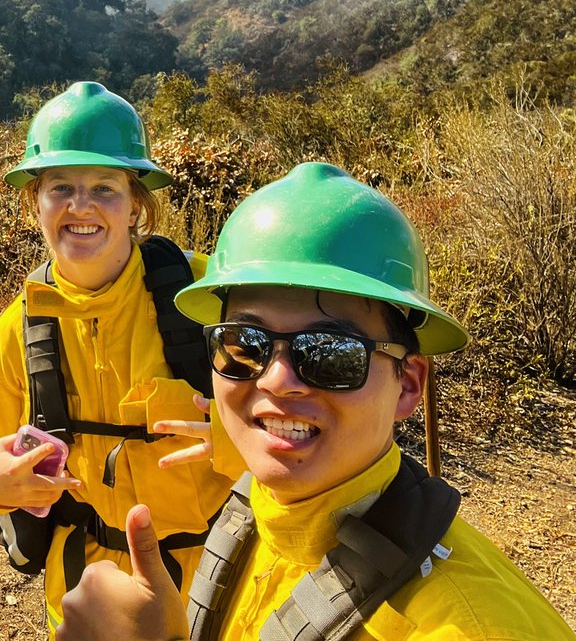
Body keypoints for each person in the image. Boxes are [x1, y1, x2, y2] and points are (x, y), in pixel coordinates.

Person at [57, 162, 575, 640]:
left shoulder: (468, 626)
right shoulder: (261, 517)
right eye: (246, 343)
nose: (278, 380)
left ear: (409, 384)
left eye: (331, 353)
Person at [0, 81, 238, 635]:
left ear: (135, 206)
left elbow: (295, 407)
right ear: (36, 204)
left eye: (105, 187)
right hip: (89, 588)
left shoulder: (205, 300)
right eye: (61, 188)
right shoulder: (21, 328)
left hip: (223, 578)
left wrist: (243, 439)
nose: (81, 206)